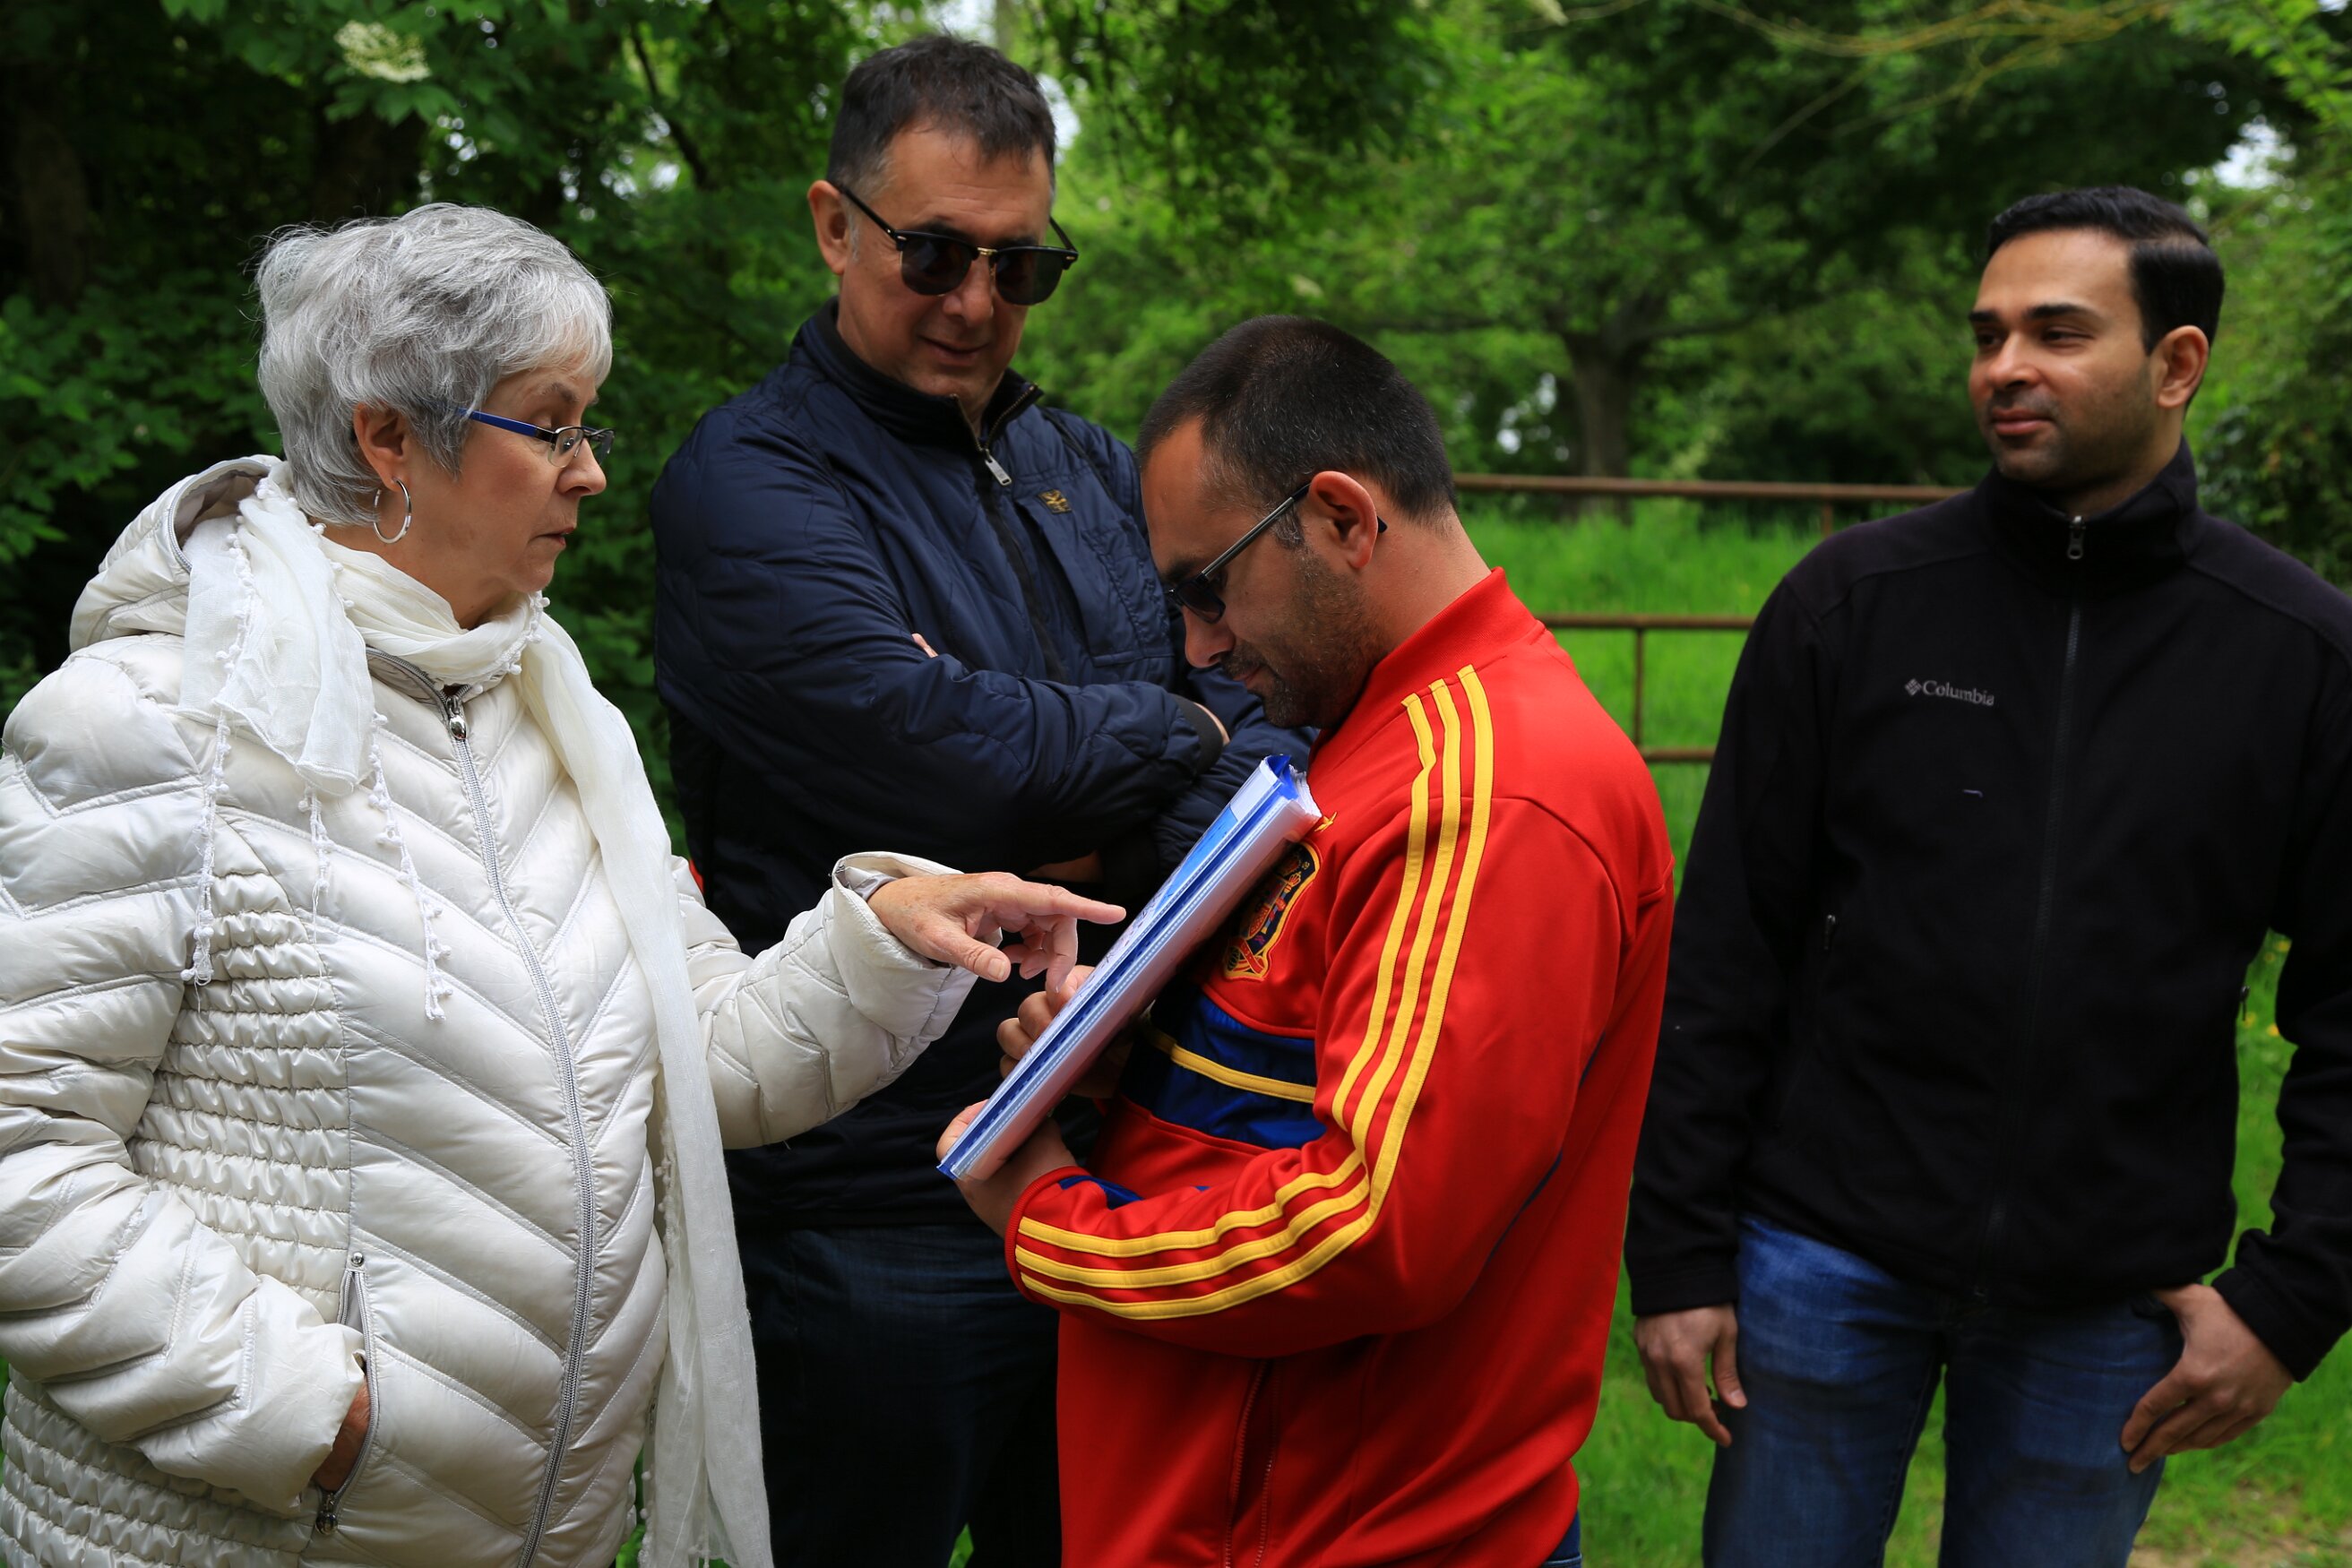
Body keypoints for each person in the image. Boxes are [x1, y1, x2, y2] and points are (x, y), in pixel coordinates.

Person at [0, 203, 1118, 1568]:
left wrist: (885, 936)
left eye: (587, 426)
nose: (588, 474)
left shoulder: (545, 712)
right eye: (551, 426)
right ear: (389, 438)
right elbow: (22, 1157)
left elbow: (700, 1060)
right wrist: (312, 1418)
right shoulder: (146, 723)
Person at [1625, 185, 2352, 1567]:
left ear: (2176, 363)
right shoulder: (1848, 606)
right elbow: (1725, 944)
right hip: (1817, 1259)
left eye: (2056, 333)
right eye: (1986, 333)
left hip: (2109, 1300)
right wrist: (1677, 1253)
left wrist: (2292, 1298)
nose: (2003, 366)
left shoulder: (2298, 656)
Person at [649, 35, 1300, 1566]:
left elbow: (1269, 730)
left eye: (1022, 267)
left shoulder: (1089, 464)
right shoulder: (748, 482)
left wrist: (1110, 748)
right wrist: (1167, 726)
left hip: (1099, 1173)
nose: (975, 302)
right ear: (835, 225)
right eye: (935, 254)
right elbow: (936, 759)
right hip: (862, 1205)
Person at [940, 315, 1675, 1568]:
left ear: (1341, 518)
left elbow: (1376, 1225)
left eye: (1206, 586)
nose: (1198, 645)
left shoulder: (1485, 790)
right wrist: (1122, 1067)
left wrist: (1052, 1223)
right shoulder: (1388, 734)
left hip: (1337, 1529)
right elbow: (1302, 1063)